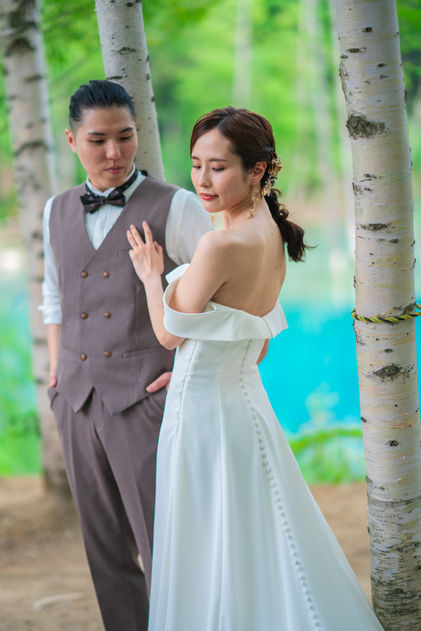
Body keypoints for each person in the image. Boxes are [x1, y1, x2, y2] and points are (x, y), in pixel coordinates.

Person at [127, 106, 385, 630]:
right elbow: (256, 344)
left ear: (258, 170)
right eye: (196, 164)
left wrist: (152, 276)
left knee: (210, 542)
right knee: (260, 536)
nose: (202, 180)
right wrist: (196, 366)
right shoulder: (272, 235)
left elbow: (170, 334)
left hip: (203, 419)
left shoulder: (221, 243)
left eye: (218, 167)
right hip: (246, 410)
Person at [40, 79, 213, 631]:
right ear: (72, 140)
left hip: (146, 399)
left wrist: (185, 373)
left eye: (125, 136)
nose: (114, 152)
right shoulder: (55, 211)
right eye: (98, 140)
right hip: (76, 399)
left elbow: (224, 302)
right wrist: (56, 376)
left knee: (165, 542)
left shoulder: (177, 206)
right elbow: (54, 296)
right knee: (104, 548)